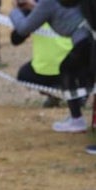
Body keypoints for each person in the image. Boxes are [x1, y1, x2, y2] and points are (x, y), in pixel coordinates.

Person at [9, 0, 93, 133]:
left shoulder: (47, 3)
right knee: (70, 69)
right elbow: (56, 10)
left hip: (84, 40)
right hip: (86, 38)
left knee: (68, 69)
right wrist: (34, 7)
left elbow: (23, 28)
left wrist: (14, 12)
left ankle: (77, 118)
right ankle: (78, 109)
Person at [10, 0, 74, 107]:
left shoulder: (38, 8)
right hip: (71, 67)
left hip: (45, 70)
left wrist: (19, 11)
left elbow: (16, 39)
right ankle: (73, 92)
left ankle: (57, 92)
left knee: (24, 75)